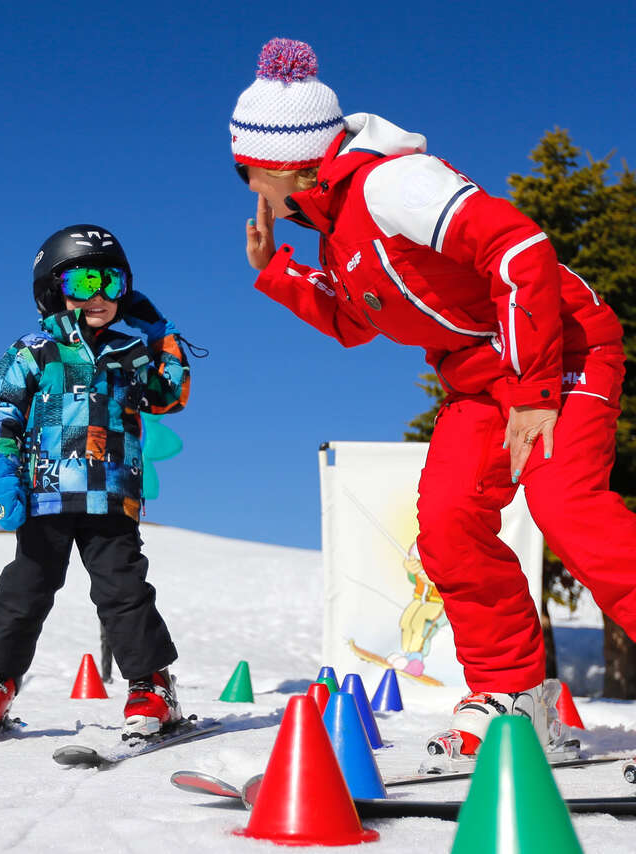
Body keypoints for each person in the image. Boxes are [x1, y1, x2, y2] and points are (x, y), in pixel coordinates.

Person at [230, 38, 636, 759]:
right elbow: (357, 322)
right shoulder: (335, 232)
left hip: (561, 351)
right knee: (449, 523)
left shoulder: (393, 185)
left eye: (243, 172)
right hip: (482, 383)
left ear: (277, 162)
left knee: (567, 506)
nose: (247, 188)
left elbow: (521, 252)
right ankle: (515, 701)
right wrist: (278, 273)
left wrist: (538, 388)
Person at [0, 224, 189, 738]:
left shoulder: (132, 350)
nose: (99, 294)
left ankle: (151, 687)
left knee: (123, 592)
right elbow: (2, 413)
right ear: (52, 290)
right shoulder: (32, 350)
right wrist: (3, 476)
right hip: (45, 498)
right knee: (23, 592)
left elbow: (170, 394)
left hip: (110, 499)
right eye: (83, 282)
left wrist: (159, 332)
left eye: (111, 281)